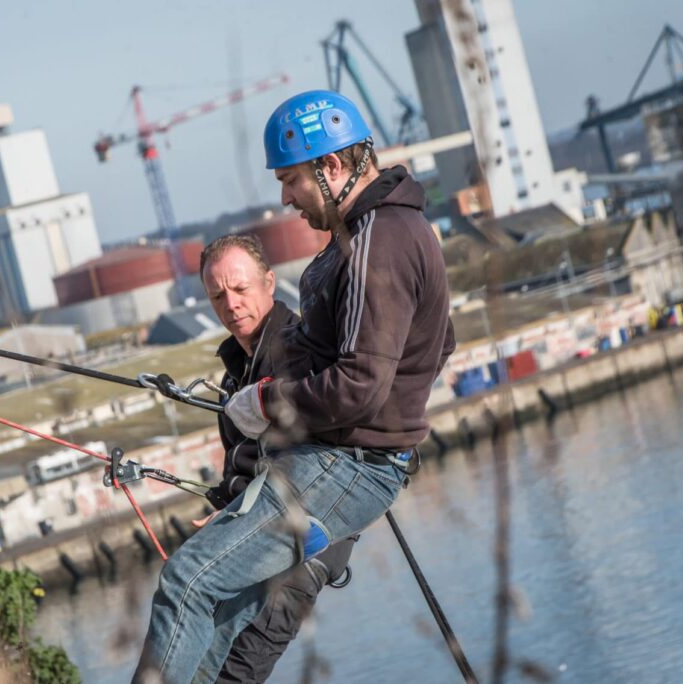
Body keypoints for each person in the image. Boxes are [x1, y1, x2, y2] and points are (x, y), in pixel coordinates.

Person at [134, 89, 455, 683]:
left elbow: (358, 381)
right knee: (220, 624)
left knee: (187, 584)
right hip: (341, 460)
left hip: (346, 463)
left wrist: (266, 401)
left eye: (291, 181)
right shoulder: (372, 235)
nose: (284, 198)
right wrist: (392, 412)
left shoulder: (377, 242)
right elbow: (441, 342)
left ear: (331, 167)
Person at [195, 234, 355, 683]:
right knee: (201, 655)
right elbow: (244, 465)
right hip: (261, 537)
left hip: (311, 540)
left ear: (269, 283)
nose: (231, 304)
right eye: (217, 295)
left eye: (241, 289)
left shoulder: (300, 352)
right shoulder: (236, 369)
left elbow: (307, 462)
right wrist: (227, 508)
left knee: (235, 671)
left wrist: (237, 513)